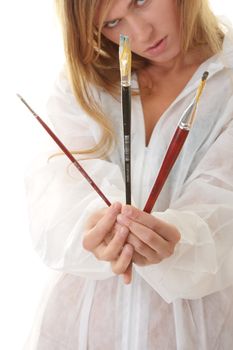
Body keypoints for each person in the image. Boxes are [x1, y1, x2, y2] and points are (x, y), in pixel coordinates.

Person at [24, 0, 233, 349]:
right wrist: (92, 229)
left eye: (142, 1)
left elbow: (225, 208)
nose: (140, 33)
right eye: (112, 22)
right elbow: (55, 190)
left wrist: (181, 242)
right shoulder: (86, 80)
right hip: (75, 331)